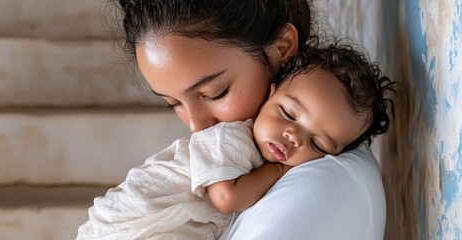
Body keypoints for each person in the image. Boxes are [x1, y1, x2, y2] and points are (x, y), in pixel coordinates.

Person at [89, 0, 386, 239]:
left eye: (215, 93)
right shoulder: (236, 143)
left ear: (282, 48)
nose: (196, 127)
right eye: (174, 104)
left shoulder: (323, 174)